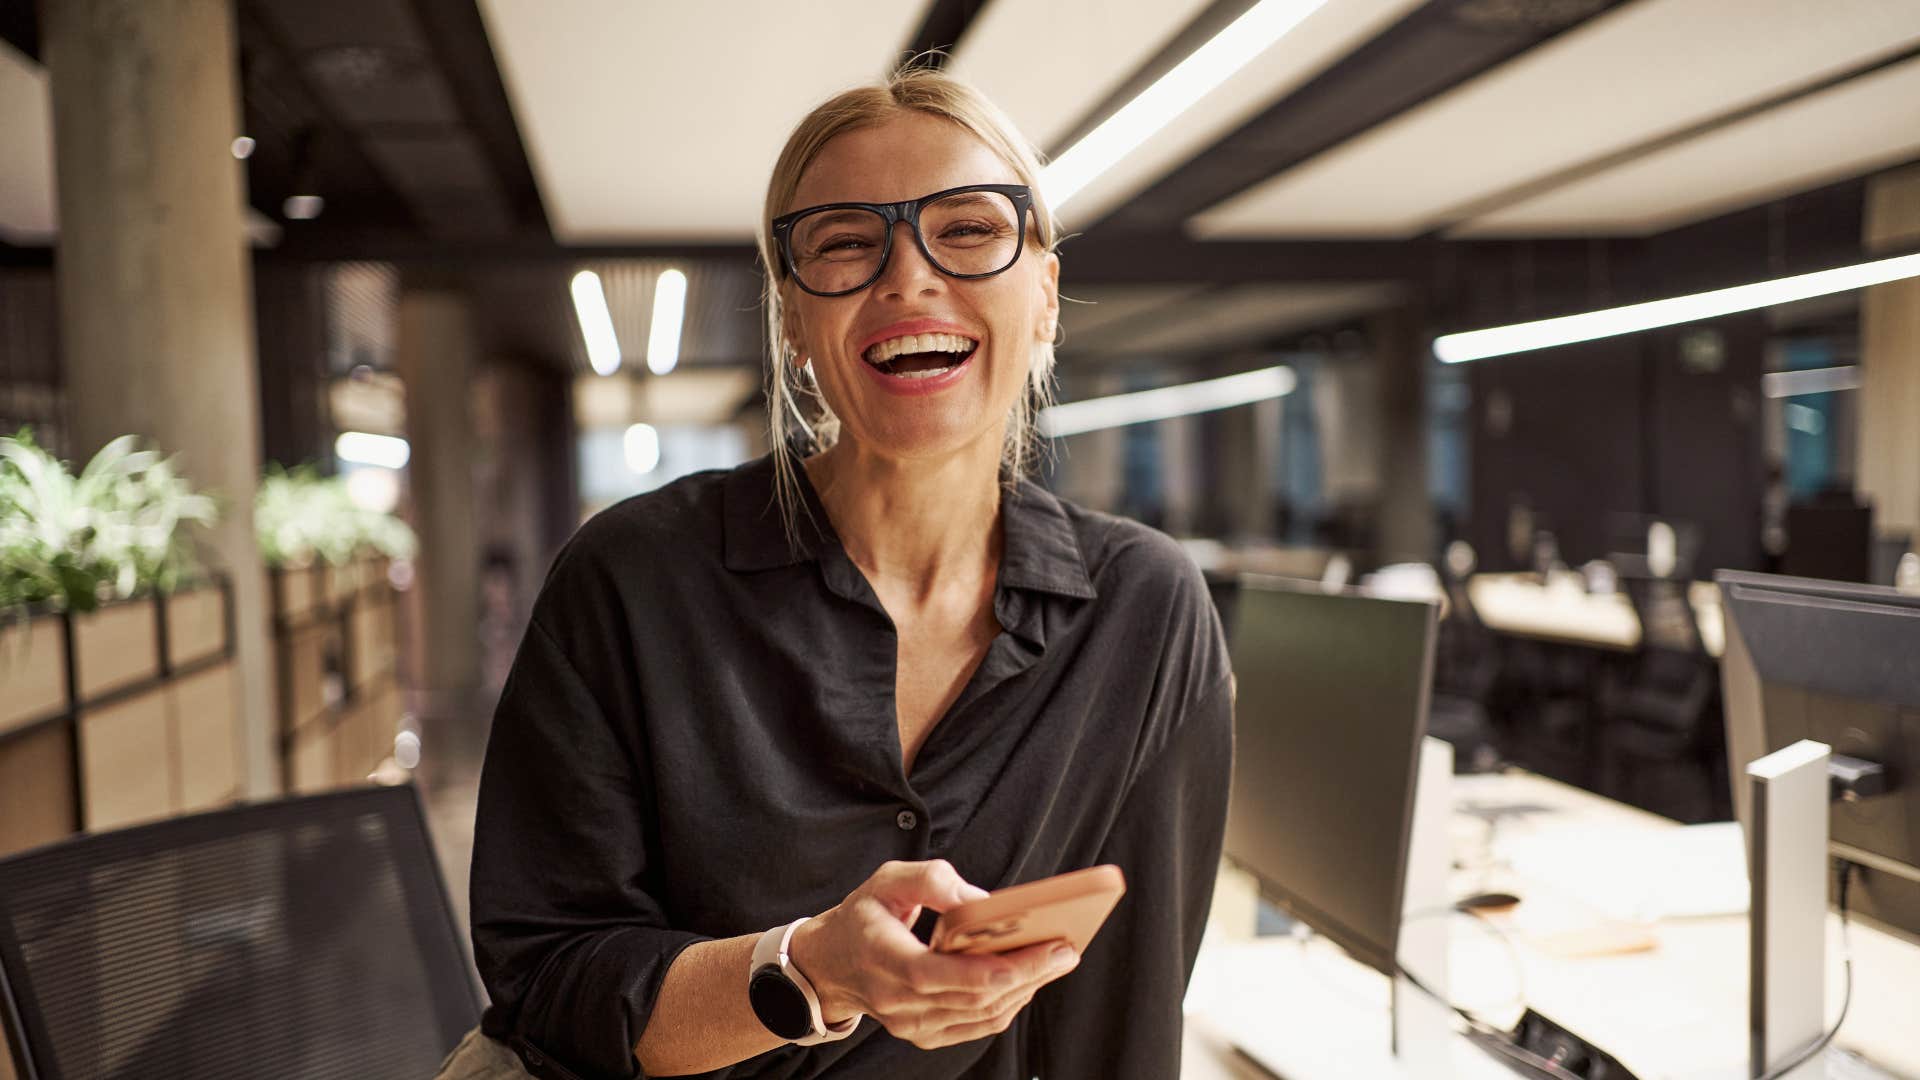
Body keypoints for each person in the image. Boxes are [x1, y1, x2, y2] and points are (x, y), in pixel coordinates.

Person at [446, 66, 1233, 1080]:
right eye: (848, 243)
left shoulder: (1144, 610)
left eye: (968, 229)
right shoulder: (630, 581)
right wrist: (813, 972)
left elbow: (1121, 1018)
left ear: (1043, 291)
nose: (907, 278)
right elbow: (549, 986)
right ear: (791, 320)